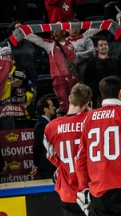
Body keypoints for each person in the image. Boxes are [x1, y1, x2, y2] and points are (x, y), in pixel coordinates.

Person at [75, 76, 121, 216]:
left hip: (98, 192)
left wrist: (83, 187)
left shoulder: (88, 118)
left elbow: (81, 158)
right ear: (120, 93)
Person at [43, 83, 93, 216]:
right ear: (87, 103)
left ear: (70, 98)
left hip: (67, 192)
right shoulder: (92, 121)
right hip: (90, 190)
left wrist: (63, 166)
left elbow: (50, 155)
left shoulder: (51, 127)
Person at [20, 28, 96, 114]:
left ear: (63, 32)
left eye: (57, 31)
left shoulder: (72, 42)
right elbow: (36, 39)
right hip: (60, 81)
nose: (54, 33)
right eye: (53, 31)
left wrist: (103, 25)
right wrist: (22, 31)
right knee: (66, 107)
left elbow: (88, 34)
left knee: (77, 105)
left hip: (73, 78)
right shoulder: (50, 44)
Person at [83, 36, 121, 108]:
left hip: (114, 95)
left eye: (105, 44)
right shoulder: (91, 63)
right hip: (98, 96)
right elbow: (87, 82)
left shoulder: (115, 61)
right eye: (101, 45)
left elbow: (120, 77)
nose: (104, 47)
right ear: (96, 48)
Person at [33, 97, 57, 180]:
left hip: (51, 164)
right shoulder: (41, 124)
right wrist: (36, 163)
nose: (54, 108)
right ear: (45, 109)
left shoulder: (48, 122)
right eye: (52, 106)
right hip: (47, 166)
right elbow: (38, 145)